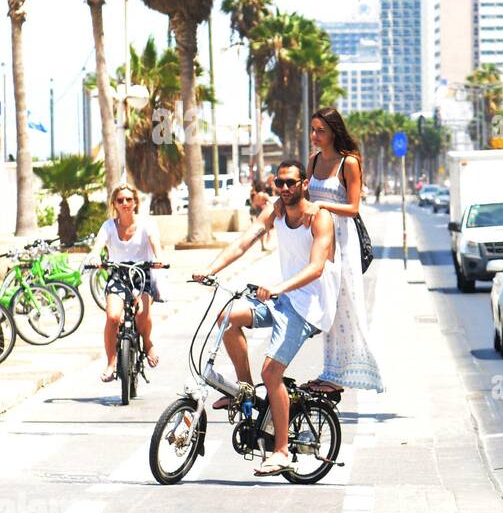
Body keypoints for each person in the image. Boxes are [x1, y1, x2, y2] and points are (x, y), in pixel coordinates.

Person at [194, 160, 338, 476]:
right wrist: (211, 269)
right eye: (280, 183)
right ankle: (244, 390)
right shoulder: (276, 210)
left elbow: (316, 267)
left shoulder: (319, 218)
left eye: (291, 183)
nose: (285, 189)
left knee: (271, 372)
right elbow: (245, 241)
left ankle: (282, 450)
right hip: (283, 298)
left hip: (309, 306)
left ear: (304, 184)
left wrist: (276, 288)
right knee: (227, 316)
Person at [302, 106, 385, 395]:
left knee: (346, 307)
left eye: (320, 130)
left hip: (343, 243)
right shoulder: (312, 162)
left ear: (334, 131)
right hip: (319, 241)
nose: (314, 135)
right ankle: (330, 371)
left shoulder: (348, 163)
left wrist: (321, 205)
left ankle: (347, 373)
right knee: (328, 306)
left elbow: (352, 208)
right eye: (312, 129)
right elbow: (306, 197)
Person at [91, 184, 164, 382]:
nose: (125, 203)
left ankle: (147, 342)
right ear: (114, 204)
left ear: (135, 203)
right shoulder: (108, 226)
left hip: (142, 274)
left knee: (142, 314)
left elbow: (157, 246)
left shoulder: (146, 224)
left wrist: (160, 259)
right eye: (120, 200)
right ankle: (111, 362)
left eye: (128, 200)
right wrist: (95, 257)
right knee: (113, 317)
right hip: (117, 274)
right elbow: (97, 246)